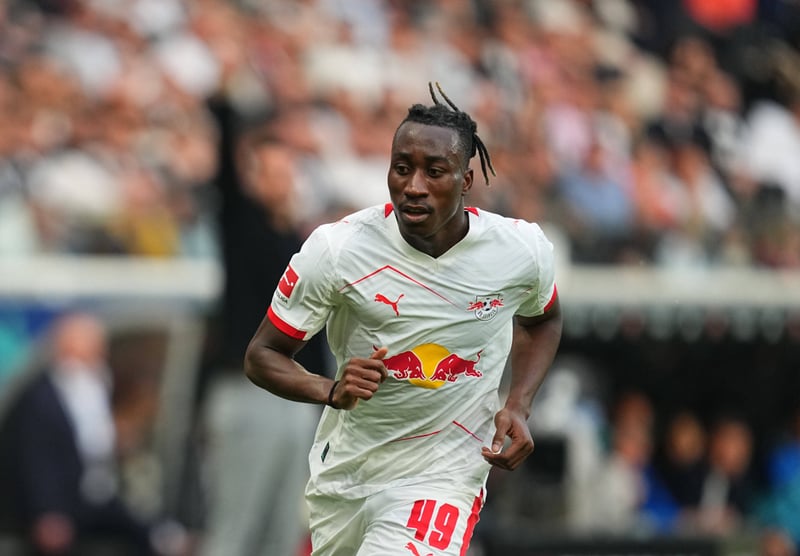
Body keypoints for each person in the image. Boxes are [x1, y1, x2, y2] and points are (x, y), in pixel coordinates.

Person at [243, 82, 563, 556]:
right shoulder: (338, 250)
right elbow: (262, 355)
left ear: (465, 180)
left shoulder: (520, 250)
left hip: (445, 473)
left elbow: (543, 319)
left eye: (434, 171)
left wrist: (518, 403)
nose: (413, 186)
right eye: (402, 168)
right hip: (348, 473)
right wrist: (329, 390)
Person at [197, 102, 329, 556]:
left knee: (281, 533)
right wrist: (226, 111)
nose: (280, 180)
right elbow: (226, 184)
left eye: (285, 171)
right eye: (269, 171)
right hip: (249, 394)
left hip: (295, 399)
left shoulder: (299, 241)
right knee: (235, 530)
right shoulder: (241, 226)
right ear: (251, 178)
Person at [0, 311, 185, 556]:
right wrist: (47, 510)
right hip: (62, 505)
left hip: (93, 495)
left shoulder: (93, 387)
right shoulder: (41, 398)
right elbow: (36, 458)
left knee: (145, 533)